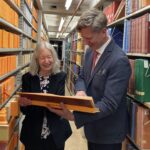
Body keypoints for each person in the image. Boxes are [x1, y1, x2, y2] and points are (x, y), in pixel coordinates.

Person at [48, 9, 131, 150]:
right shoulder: (89, 52)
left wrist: (75, 117)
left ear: (104, 32)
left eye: (89, 38)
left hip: (108, 135)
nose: (86, 42)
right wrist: (80, 90)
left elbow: (109, 104)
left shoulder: (119, 60)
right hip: (92, 129)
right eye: (83, 38)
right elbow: (81, 76)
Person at [19, 41, 72, 150]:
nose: (47, 61)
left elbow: (59, 104)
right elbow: (24, 110)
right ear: (37, 60)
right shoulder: (27, 78)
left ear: (54, 57)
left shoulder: (61, 76)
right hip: (33, 132)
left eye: (49, 57)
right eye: (42, 58)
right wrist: (24, 104)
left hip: (56, 133)